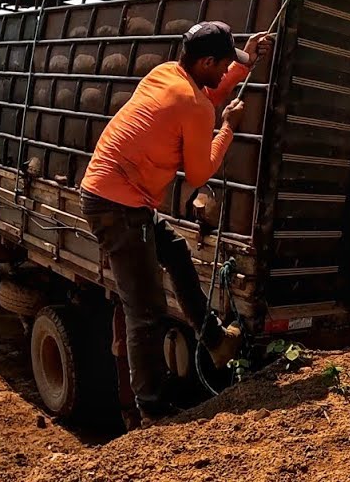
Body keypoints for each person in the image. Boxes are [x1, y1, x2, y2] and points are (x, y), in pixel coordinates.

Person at [79, 21, 274, 421]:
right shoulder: (193, 104)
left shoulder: (166, 72)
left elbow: (207, 96)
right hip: (117, 207)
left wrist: (245, 65)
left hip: (119, 196)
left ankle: (216, 341)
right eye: (223, 64)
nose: (224, 73)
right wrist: (228, 130)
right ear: (204, 61)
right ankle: (151, 411)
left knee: (176, 252)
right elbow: (200, 173)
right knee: (146, 310)